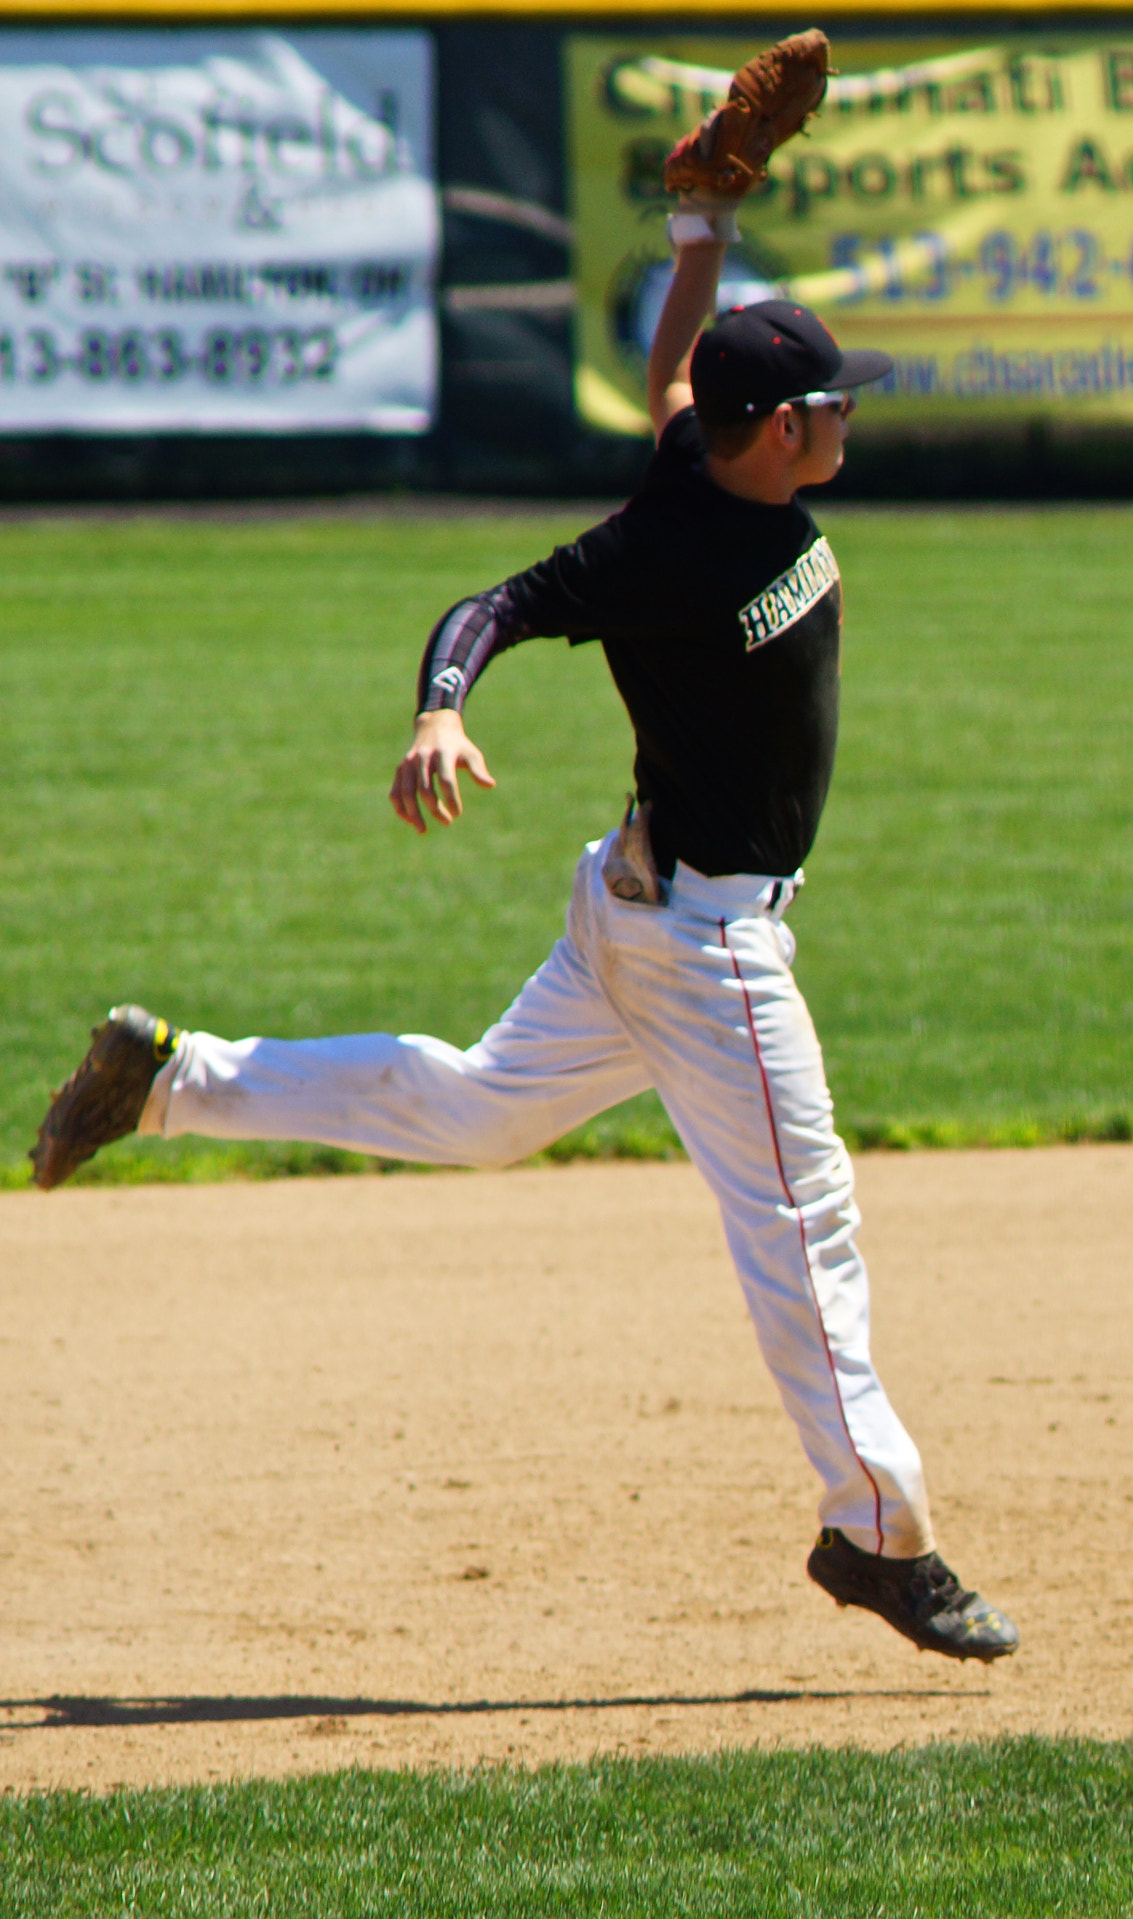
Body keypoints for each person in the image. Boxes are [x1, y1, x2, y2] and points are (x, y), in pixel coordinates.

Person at [30, 220, 1019, 1667]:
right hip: (703, 948)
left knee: (482, 1113)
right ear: (785, 428)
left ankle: (169, 1081)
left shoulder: (704, 456)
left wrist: (699, 236)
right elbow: (492, 604)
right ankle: (879, 1531)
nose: (849, 415)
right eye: (833, 402)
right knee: (801, 1229)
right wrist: (443, 708)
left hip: (637, 910)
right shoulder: (669, 542)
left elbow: (672, 365)